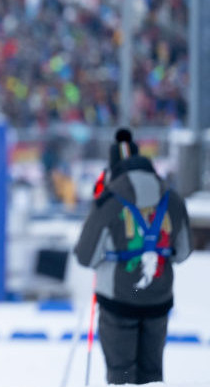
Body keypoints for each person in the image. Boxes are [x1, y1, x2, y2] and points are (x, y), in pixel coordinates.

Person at [73, 128, 192, 385]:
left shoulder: (109, 201)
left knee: (122, 375)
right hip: (159, 299)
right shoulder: (173, 199)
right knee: (151, 375)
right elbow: (182, 253)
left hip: (118, 301)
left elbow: (85, 256)